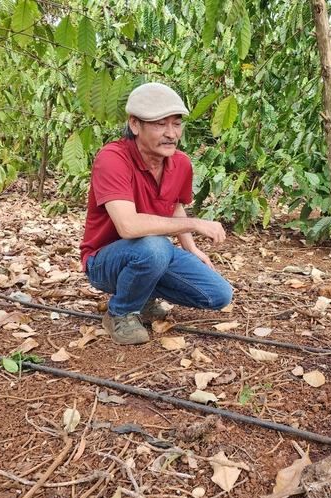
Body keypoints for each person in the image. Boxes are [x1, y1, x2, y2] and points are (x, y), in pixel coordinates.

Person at [79, 82, 233, 345]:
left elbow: (175, 207)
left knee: (218, 295)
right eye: (160, 124)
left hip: (152, 253)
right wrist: (197, 224)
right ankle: (121, 312)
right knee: (155, 247)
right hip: (105, 260)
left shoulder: (181, 162)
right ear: (135, 125)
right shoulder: (112, 158)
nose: (171, 134)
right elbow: (127, 227)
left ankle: (143, 297)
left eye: (176, 124)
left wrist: (191, 248)